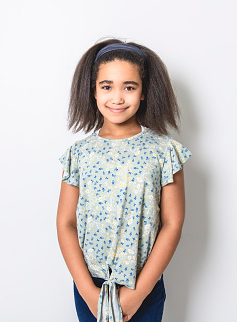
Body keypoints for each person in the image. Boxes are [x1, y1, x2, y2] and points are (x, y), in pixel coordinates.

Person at [56, 38, 192, 322]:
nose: (117, 98)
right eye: (107, 86)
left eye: (129, 87)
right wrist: (86, 290)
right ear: (93, 91)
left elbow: (173, 223)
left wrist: (139, 292)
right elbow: (65, 223)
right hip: (90, 286)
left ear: (143, 92)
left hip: (143, 286)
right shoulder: (79, 154)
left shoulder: (165, 152)